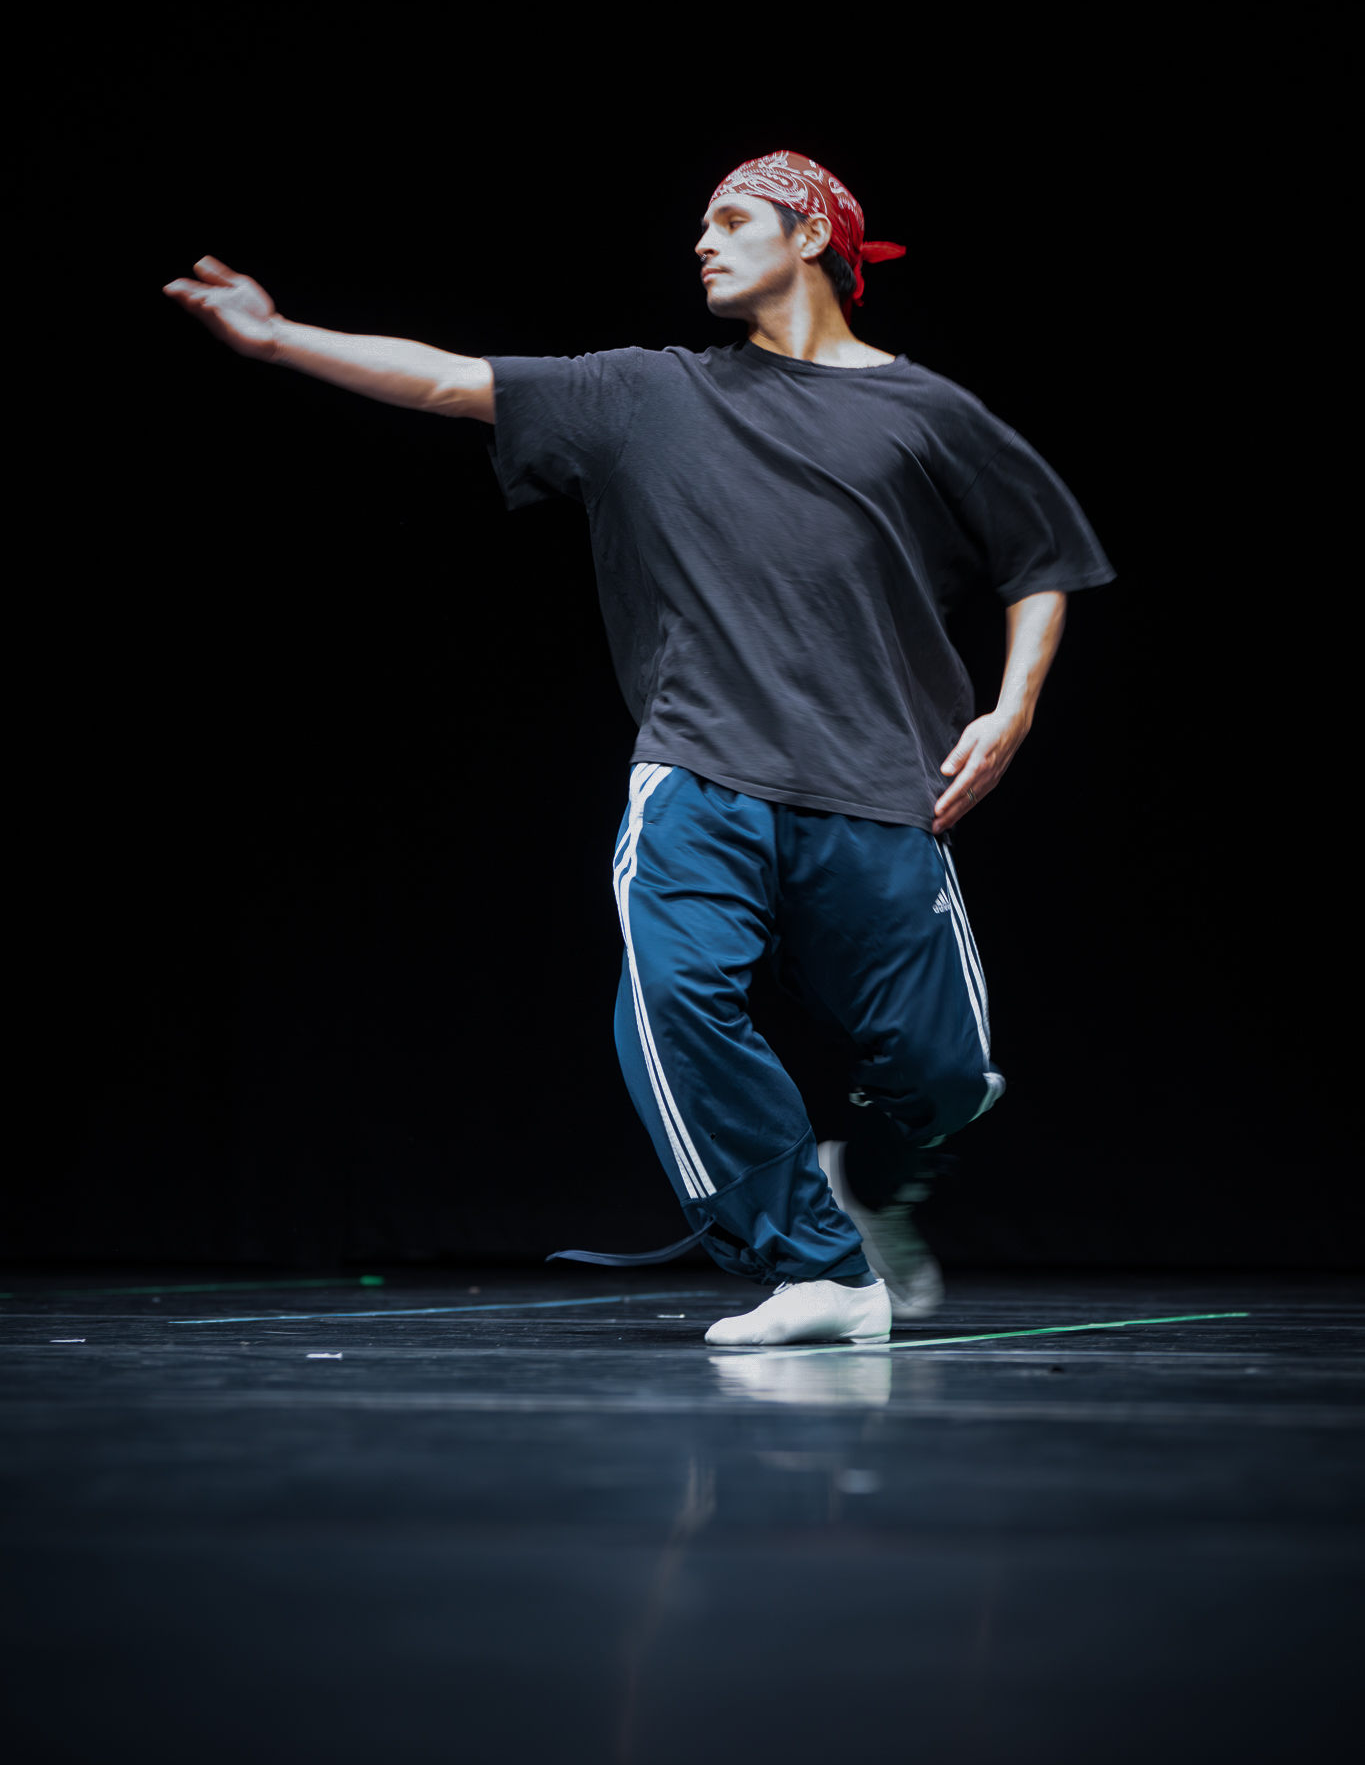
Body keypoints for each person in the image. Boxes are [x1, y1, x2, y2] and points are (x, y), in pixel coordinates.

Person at [164, 150, 1113, 1348]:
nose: (702, 240)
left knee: (945, 1075)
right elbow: (450, 381)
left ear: (811, 234)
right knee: (673, 999)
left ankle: (870, 1176)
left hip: (881, 781)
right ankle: (818, 1266)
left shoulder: (924, 409)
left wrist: (1012, 710)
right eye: (700, 223)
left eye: (732, 217)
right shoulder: (648, 392)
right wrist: (276, 338)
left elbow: (1041, 556)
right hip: (700, 770)